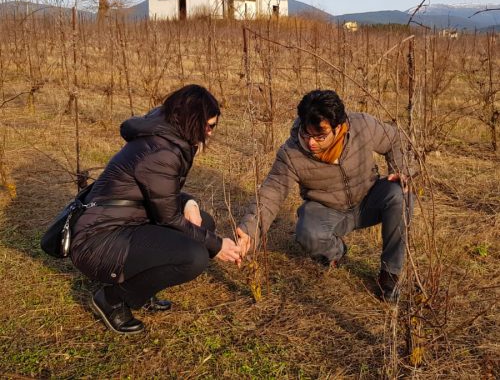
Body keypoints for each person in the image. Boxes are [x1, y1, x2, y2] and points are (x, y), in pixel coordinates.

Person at [71, 84, 241, 334]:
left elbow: (159, 192)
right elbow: (168, 217)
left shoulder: (165, 137)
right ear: (192, 121)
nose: (211, 133)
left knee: (202, 222)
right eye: (209, 126)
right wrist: (217, 245)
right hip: (98, 241)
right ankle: (112, 298)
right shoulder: (160, 151)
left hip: (125, 223)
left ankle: (141, 286)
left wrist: (189, 202)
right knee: (195, 256)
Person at [236, 89, 413, 302]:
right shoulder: (291, 154)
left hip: (369, 197)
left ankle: (390, 274)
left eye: (320, 136)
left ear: (338, 127)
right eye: (307, 133)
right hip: (326, 209)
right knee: (307, 232)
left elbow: (394, 139)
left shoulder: (361, 126)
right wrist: (249, 232)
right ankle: (336, 252)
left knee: (400, 194)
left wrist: (400, 169)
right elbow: (271, 193)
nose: (311, 143)